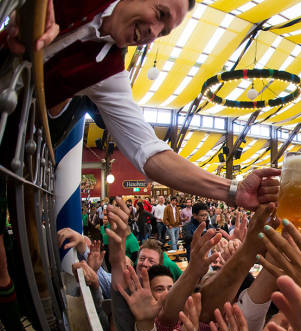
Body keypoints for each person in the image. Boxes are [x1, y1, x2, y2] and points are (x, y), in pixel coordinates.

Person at [3, 0, 280, 211]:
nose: (153, 33)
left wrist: (233, 190)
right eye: (159, 14)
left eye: (163, 32)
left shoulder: (109, 73)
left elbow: (150, 153)